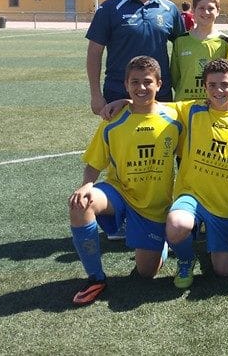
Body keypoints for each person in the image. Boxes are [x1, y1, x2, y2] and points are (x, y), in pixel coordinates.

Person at [68, 56, 182, 305]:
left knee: (145, 274)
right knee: (80, 203)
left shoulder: (176, 116)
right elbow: (95, 162)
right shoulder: (113, 121)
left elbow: (209, 103)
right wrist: (87, 184)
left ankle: (159, 244)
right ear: (126, 84)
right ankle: (95, 278)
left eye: (147, 82)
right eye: (135, 82)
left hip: (153, 206)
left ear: (159, 84)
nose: (141, 88)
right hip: (118, 192)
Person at [165, 59, 228, 288]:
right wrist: (124, 100)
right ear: (204, 87)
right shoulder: (192, 110)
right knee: (176, 226)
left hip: (224, 203)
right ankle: (186, 259)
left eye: (224, 84)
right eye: (212, 85)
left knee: (223, 271)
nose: (218, 91)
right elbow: (152, 106)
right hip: (192, 194)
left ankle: (211, 234)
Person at [85, 0, 184, 114]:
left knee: (162, 140)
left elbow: (183, 47)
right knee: (121, 140)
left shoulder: (170, 9)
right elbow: (94, 52)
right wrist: (95, 94)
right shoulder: (109, 8)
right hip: (118, 92)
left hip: (159, 94)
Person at [170, 0, 228, 101]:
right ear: (193, 11)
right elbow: (174, 78)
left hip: (214, 106)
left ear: (218, 11)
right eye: (201, 8)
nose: (206, 12)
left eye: (211, 8)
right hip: (185, 106)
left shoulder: (225, 42)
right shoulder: (181, 41)